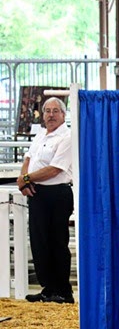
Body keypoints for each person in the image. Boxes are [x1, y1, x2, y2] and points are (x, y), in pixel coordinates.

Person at [17, 97, 74, 304]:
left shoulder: (67, 137)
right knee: (39, 241)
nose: (51, 115)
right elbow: (28, 158)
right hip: (37, 193)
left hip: (57, 193)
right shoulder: (41, 134)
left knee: (57, 242)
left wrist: (26, 179)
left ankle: (63, 291)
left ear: (63, 114)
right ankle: (48, 288)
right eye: (47, 111)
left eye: (55, 111)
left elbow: (55, 169)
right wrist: (24, 179)